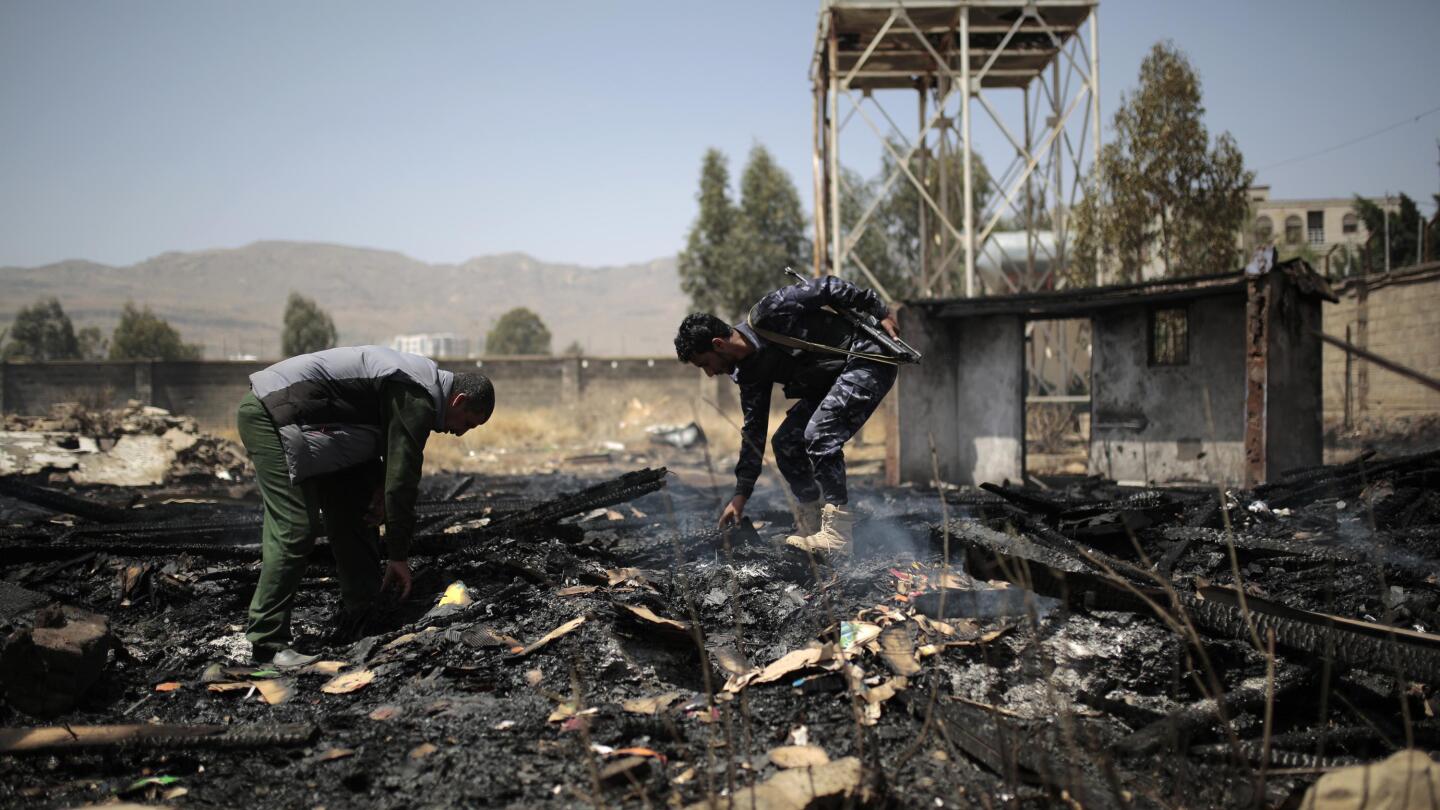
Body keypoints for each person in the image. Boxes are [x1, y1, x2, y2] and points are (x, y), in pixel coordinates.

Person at [237, 345, 494, 666]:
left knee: (358, 512)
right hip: (273, 412)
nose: (459, 432)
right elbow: (403, 479)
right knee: (295, 527)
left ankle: (363, 618)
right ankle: (267, 644)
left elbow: (368, 430)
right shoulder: (417, 394)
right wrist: (398, 556)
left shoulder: (417, 387)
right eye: (467, 423)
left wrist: (377, 484)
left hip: (321, 427)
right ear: (458, 401)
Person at [673, 274, 901, 555]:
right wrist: (740, 496)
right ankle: (814, 523)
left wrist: (880, 311)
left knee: (821, 433)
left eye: (705, 363)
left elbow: (829, 287)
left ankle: (838, 535)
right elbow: (753, 433)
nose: (709, 373)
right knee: (786, 443)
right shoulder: (748, 373)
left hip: (867, 358)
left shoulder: (769, 313)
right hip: (833, 380)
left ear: (718, 344)